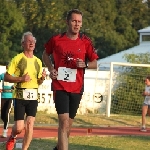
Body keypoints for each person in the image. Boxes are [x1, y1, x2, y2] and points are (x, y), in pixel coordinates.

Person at [42, 9, 99, 150]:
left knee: (68, 127)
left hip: (77, 88)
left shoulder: (85, 41)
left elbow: (95, 63)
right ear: (67, 22)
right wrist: (50, 69)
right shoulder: (56, 40)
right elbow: (45, 54)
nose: (77, 24)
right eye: (74, 21)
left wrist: (85, 64)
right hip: (60, 86)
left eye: (79, 22)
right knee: (64, 122)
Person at [4, 31, 46, 150]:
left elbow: (38, 82)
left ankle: (24, 149)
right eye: (29, 41)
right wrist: (21, 78)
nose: (31, 43)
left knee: (30, 124)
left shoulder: (38, 61)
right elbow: (7, 77)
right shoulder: (17, 59)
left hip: (33, 97)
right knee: (19, 127)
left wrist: (42, 78)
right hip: (20, 96)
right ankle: (12, 136)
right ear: (23, 43)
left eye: (33, 41)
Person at [0, 64, 14, 138]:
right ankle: (5, 121)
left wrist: (14, 87)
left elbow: (18, 83)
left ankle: (5, 131)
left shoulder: (14, 76)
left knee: (6, 113)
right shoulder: (3, 75)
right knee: (2, 114)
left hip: (10, 97)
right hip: (3, 97)